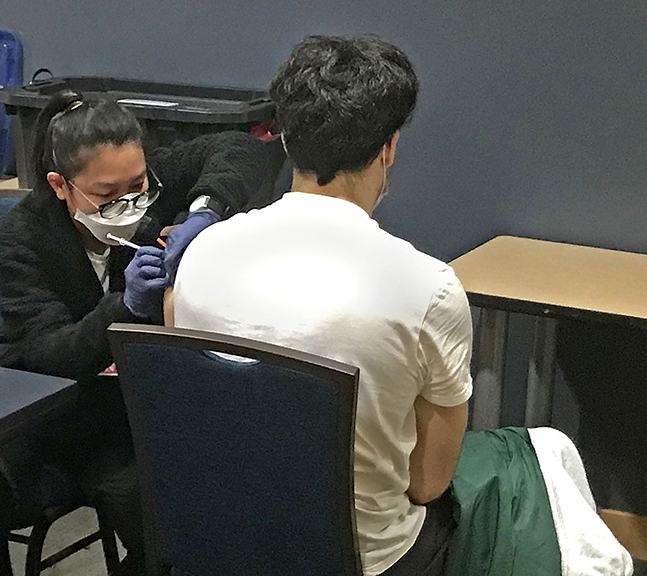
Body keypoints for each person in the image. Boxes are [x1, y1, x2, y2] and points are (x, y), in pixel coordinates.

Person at [169, 35, 639, 576]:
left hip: (215, 541)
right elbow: (426, 483)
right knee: (540, 454)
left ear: (285, 138)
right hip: (368, 561)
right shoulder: (427, 288)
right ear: (388, 148)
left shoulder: (200, 255)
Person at [0, 90, 285, 575]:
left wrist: (204, 210)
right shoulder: (20, 238)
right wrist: (125, 307)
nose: (129, 202)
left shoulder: (151, 179)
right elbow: (52, 354)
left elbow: (243, 150)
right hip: (38, 404)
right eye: (108, 195)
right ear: (60, 185)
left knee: (170, 529)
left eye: (138, 185)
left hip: (118, 413)